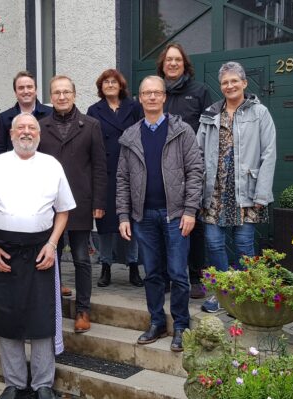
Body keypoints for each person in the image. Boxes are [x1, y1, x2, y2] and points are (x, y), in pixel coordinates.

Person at [0, 112, 76, 399]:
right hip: (2, 251)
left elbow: (63, 211)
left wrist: (52, 245)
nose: (26, 132)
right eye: (20, 128)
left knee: (42, 319)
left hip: (41, 250)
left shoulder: (52, 165)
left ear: (38, 135)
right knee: (6, 317)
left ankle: (42, 385)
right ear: (12, 134)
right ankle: (14, 383)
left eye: (31, 128)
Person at [116, 76, 203, 351]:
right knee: (152, 273)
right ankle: (156, 321)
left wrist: (190, 211)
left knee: (178, 273)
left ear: (164, 97)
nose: (152, 97)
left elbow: (196, 172)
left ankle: (180, 325)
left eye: (156, 93)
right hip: (144, 217)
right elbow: (122, 179)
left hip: (176, 215)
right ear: (140, 99)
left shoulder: (182, 131)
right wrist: (123, 215)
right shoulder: (130, 136)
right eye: (146, 93)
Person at [197, 61, 276, 313]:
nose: (229, 85)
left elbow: (269, 153)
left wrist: (262, 193)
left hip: (247, 190)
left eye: (234, 81)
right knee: (214, 243)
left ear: (244, 83)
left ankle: (243, 291)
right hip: (215, 190)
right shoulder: (210, 113)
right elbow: (198, 153)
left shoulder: (259, 112)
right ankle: (223, 292)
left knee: (244, 245)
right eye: (224, 82)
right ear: (220, 86)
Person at [38, 75, 107, 333]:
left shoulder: (90, 125)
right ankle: (52, 305)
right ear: (51, 97)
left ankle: (83, 310)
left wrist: (99, 201)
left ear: (75, 95)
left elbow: (100, 167)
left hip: (80, 202)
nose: (62, 96)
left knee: (81, 259)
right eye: (57, 92)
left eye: (66, 92)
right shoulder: (40, 126)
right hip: (48, 205)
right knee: (50, 256)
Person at [157, 43, 213, 299]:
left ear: (184, 63)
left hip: (190, 167)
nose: (173, 63)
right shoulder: (156, 92)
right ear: (163, 64)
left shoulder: (199, 91)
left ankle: (196, 276)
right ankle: (168, 275)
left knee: (194, 223)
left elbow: (209, 131)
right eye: (169, 60)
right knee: (163, 223)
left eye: (177, 59)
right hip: (160, 168)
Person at [87, 69, 143, 288]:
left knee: (132, 220)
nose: (110, 85)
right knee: (106, 223)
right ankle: (106, 266)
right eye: (106, 82)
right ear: (101, 87)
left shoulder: (134, 107)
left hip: (131, 170)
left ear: (121, 85)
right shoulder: (94, 110)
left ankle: (133, 266)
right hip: (106, 171)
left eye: (114, 82)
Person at [0, 70, 52, 155]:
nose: (26, 91)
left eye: (29, 87)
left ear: (36, 90)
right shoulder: (4, 118)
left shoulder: (50, 114)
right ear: (15, 93)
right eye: (21, 88)